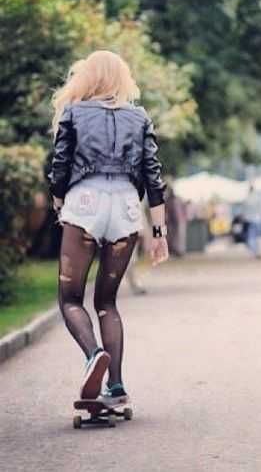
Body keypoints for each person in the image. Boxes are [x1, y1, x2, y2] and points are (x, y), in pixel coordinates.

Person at [48, 50, 169, 406]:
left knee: (71, 299)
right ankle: (115, 385)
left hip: (85, 203)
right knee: (107, 302)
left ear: (87, 77)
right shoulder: (139, 116)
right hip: (126, 208)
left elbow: (60, 164)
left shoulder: (74, 112)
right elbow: (153, 176)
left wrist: (58, 201)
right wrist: (159, 234)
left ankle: (93, 354)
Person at [243, 185, 261, 258]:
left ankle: (255, 251)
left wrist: (245, 218)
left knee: (252, 236)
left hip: (250, 220)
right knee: (260, 236)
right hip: (259, 219)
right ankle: (260, 251)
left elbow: (244, 211)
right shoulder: (259, 198)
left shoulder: (247, 198)